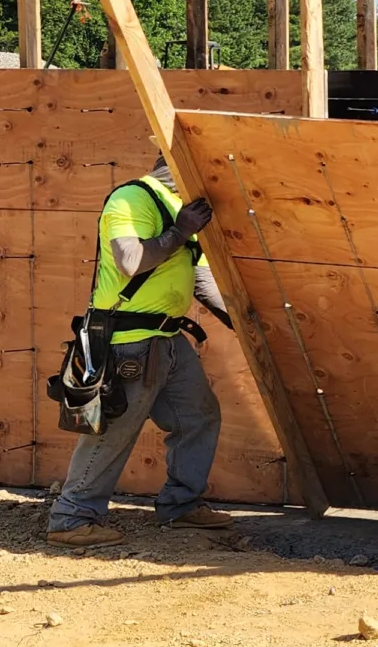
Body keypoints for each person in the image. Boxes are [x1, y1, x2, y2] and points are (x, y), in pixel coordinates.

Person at [45, 160, 235, 548]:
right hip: (127, 342)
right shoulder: (131, 198)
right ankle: (71, 517)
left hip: (166, 339)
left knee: (198, 417)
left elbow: (197, 277)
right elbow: (130, 261)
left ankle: (180, 505)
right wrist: (180, 231)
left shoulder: (174, 204)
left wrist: (246, 323)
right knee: (111, 432)